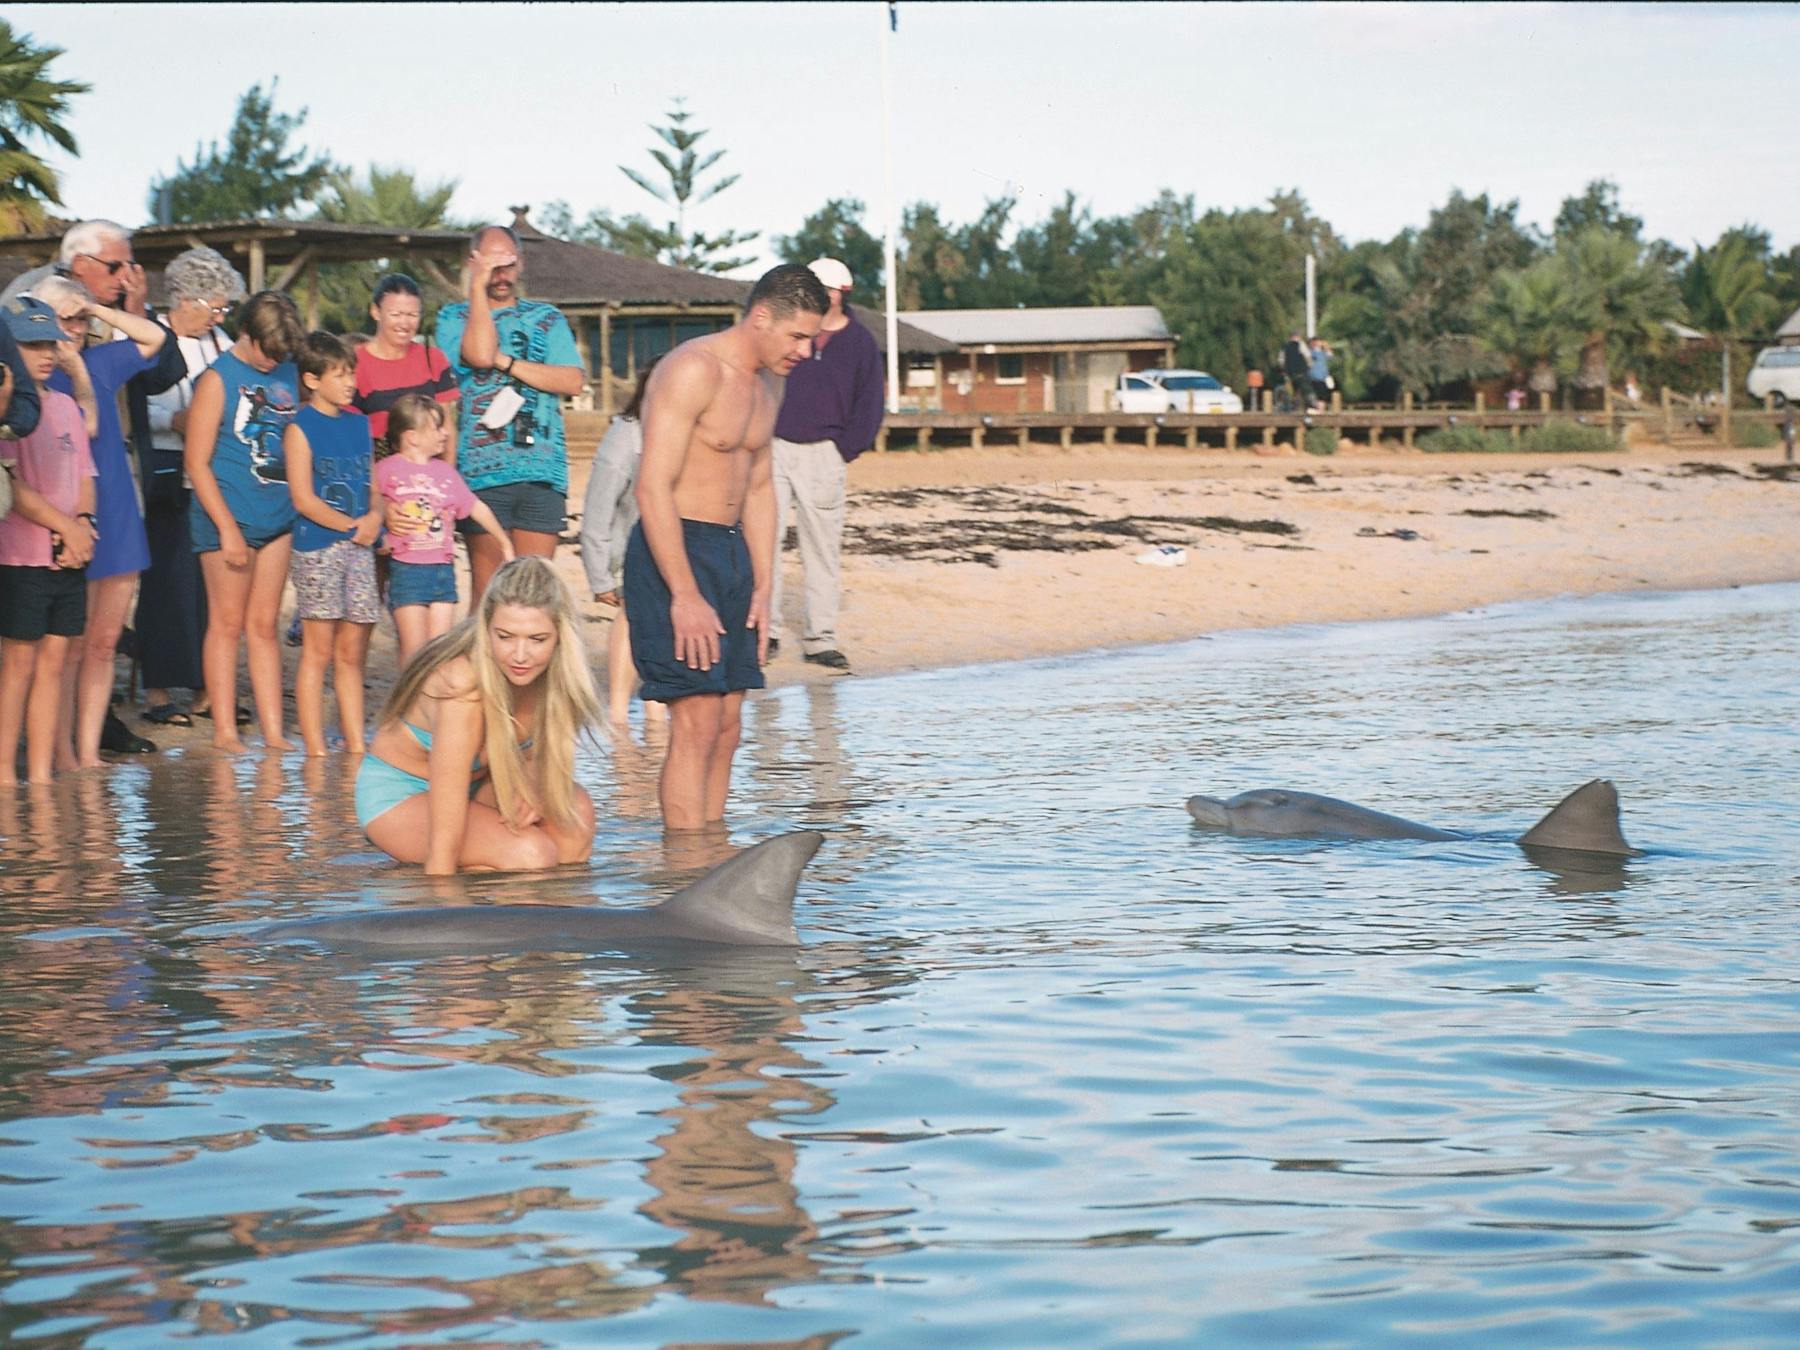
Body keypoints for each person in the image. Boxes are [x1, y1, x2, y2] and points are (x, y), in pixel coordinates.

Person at [625, 262, 827, 831]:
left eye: (811, 338)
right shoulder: (692, 370)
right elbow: (651, 486)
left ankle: (712, 860)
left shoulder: (772, 379)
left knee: (730, 724)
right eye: (797, 336)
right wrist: (683, 593)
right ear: (761, 317)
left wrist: (764, 586)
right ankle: (683, 869)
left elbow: (760, 486)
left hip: (733, 553)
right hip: (675, 549)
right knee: (695, 722)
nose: (805, 351)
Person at [356, 556, 601, 875]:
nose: (521, 656)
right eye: (505, 636)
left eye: (537, 640)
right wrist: (442, 905)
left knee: (576, 819)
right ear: (485, 628)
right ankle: (458, 907)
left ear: (559, 636)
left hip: (483, 782)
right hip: (404, 793)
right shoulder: (463, 686)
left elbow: (535, 757)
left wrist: (535, 785)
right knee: (530, 855)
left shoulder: (559, 679)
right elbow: (445, 830)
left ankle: (551, 919)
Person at [33, 276, 170, 770]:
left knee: (105, 642)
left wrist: (96, 306)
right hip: (65, 510)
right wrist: (67, 357)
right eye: (61, 319)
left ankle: (88, 751)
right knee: (66, 645)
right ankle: (62, 749)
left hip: (114, 507)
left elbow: (155, 338)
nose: (70, 328)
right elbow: (84, 424)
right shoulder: (36, 373)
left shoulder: (101, 361)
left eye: (76, 319)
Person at [434, 226, 584, 606]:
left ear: (521, 264)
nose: (501, 276)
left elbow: (571, 380)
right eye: (492, 266)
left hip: (542, 470)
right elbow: (479, 354)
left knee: (535, 595)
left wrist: (508, 362)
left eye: (508, 265)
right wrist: (477, 286)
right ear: (474, 264)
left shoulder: (547, 318)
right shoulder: (454, 317)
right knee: (489, 597)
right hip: (483, 472)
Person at [184, 290, 305, 753]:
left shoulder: (291, 371)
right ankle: (226, 731)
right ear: (245, 335)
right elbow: (196, 464)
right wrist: (228, 530)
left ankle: (273, 731)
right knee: (227, 623)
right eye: (266, 352)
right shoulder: (217, 379)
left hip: (277, 515)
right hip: (225, 516)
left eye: (281, 355)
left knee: (264, 625)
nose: (273, 363)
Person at [137, 247, 246, 728]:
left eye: (223, 309)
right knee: (163, 581)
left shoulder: (221, 342)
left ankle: (207, 687)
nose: (218, 317)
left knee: (207, 585)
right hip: (162, 468)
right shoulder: (150, 338)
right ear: (186, 299)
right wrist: (175, 420)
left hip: (210, 476)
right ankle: (158, 689)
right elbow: (134, 405)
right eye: (214, 307)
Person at [767, 258, 883, 673]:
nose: (819, 294)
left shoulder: (860, 343)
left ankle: (821, 639)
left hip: (824, 452)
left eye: (826, 288)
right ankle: (767, 632)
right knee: (765, 543)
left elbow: (870, 403)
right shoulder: (786, 332)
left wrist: (845, 448)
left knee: (822, 548)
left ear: (842, 294)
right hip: (774, 446)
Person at [0, 297, 96, 786]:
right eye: (30, 344)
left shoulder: (64, 406)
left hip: (68, 554)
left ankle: (39, 776)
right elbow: (13, 490)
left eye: (49, 344)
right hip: (20, 553)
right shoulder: (8, 411)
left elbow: (85, 474)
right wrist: (67, 527)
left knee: (55, 662)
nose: (43, 354)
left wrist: (82, 523)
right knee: (18, 663)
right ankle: (3, 773)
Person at [283, 332, 384, 758]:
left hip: (359, 548)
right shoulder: (299, 427)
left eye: (352, 373)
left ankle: (356, 742)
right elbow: (303, 498)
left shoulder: (359, 423)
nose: (350, 382)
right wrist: (350, 526)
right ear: (311, 378)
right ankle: (315, 749)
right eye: (340, 375)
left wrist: (374, 518)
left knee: (351, 652)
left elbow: (373, 485)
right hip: (320, 549)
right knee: (318, 651)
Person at [374, 393, 512, 666]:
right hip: (407, 570)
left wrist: (503, 540)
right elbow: (369, 504)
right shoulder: (385, 470)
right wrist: (380, 534)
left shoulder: (446, 473)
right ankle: (411, 707)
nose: (445, 433)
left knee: (439, 651)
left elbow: (476, 507)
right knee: (413, 651)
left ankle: (434, 707)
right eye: (437, 427)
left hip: (442, 571)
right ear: (412, 436)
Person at [578, 360, 667, 726]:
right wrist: (598, 575)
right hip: (632, 545)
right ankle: (617, 711)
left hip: (681, 541)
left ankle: (657, 707)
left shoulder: (696, 430)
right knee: (634, 614)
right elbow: (598, 506)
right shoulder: (627, 434)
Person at [352, 272, 459, 447]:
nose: (404, 323)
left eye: (412, 315)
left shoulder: (433, 359)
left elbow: (447, 428)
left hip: (430, 469)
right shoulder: (355, 363)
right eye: (396, 314)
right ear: (375, 312)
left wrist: (447, 472)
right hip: (378, 468)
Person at [1281, 332, 1310, 411]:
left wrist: (1284, 371)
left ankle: (1293, 407)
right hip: (1301, 372)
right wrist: (1309, 367)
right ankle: (1302, 408)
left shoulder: (1285, 346)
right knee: (1303, 390)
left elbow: (1281, 360)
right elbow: (1307, 356)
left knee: (1292, 391)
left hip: (1290, 373)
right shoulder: (1301, 344)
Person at [1308, 337, 1334, 409]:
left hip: (1322, 378)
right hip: (1313, 378)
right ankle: (1317, 409)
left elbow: (1330, 355)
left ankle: (1320, 411)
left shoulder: (1323, 353)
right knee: (1314, 396)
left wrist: (1325, 345)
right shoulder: (1310, 352)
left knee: (1322, 396)